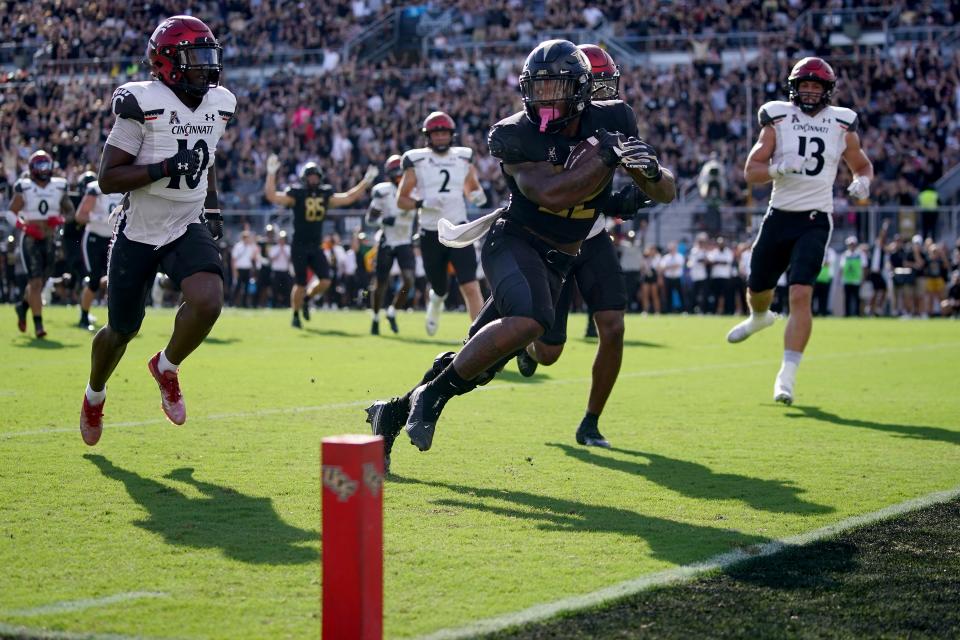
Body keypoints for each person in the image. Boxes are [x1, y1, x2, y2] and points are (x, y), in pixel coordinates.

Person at [366, 39, 676, 471]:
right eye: (538, 87)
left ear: (582, 89)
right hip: (515, 241)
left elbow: (666, 191)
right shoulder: (513, 132)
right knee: (532, 320)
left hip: (561, 257)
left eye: (556, 88)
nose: (544, 98)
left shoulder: (616, 117)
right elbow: (548, 192)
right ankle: (431, 396)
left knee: (482, 359)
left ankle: (394, 411)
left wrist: (649, 171)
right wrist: (606, 156)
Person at [79, 15, 236, 447]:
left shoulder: (220, 102)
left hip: (186, 221)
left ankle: (166, 367)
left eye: (208, 56)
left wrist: (214, 208)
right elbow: (109, 178)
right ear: (166, 62)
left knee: (208, 300)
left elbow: (208, 157)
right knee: (121, 331)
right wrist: (164, 167)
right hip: (139, 230)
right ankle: (95, 395)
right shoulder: (141, 100)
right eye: (194, 58)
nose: (205, 67)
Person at [514, 43, 656, 448]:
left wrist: (636, 190)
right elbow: (559, 192)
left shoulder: (612, 118)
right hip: (552, 240)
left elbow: (618, 175)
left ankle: (591, 421)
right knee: (549, 351)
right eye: (596, 87)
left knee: (613, 327)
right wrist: (612, 200)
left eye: (605, 87)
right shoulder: (546, 127)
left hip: (591, 236)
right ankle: (527, 345)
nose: (603, 98)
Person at [726, 57, 874, 405]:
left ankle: (786, 376)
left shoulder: (842, 122)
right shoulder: (778, 118)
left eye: (815, 86)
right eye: (804, 85)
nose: (809, 91)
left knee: (800, 294)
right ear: (794, 87)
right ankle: (760, 317)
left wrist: (863, 181)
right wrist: (778, 168)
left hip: (815, 218)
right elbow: (751, 171)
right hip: (779, 215)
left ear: (826, 91)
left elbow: (862, 164)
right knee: (758, 286)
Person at [396, 111, 487, 335]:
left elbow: (471, 187)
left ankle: (482, 339)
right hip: (431, 232)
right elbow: (401, 200)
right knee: (440, 287)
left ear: (451, 135)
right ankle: (435, 302)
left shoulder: (463, 157)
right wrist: (422, 203)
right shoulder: (416, 160)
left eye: (444, 133)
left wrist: (477, 195)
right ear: (428, 136)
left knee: (471, 285)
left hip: (458, 228)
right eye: (436, 134)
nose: (440, 138)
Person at [264, 155, 377, 328]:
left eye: (316, 176)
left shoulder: (325, 195)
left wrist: (366, 181)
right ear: (304, 178)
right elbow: (272, 196)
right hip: (299, 245)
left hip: (315, 245)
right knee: (300, 283)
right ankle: (295, 314)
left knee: (326, 280)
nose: (313, 179)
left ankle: (308, 299)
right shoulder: (297, 195)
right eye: (311, 176)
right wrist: (271, 173)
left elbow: (349, 197)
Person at [5, 150, 74, 338]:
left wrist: (59, 219)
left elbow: (70, 212)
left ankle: (23, 306)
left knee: (41, 282)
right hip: (31, 239)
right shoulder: (24, 186)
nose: (43, 170)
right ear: (32, 168)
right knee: (35, 283)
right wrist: (24, 226)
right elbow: (11, 212)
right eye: (39, 166)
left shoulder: (59, 186)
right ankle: (38, 326)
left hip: (50, 239)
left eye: (46, 165)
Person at [366, 154, 416, 335]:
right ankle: (375, 317)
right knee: (381, 283)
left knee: (409, 280)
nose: (399, 176)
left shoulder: (415, 189)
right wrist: (384, 220)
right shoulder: (383, 191)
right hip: (387, 241)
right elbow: (370, 219)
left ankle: (392, 311)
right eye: (395, 172)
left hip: (404, 241)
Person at [75, 170, 123, 330]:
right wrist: (99, 219)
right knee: (94, 279)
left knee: (116, 279)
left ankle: (115, 319)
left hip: (114, 238)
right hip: (94, 237)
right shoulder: (95, 188)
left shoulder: (126, 187)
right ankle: (83, 317)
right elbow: (80, 216)